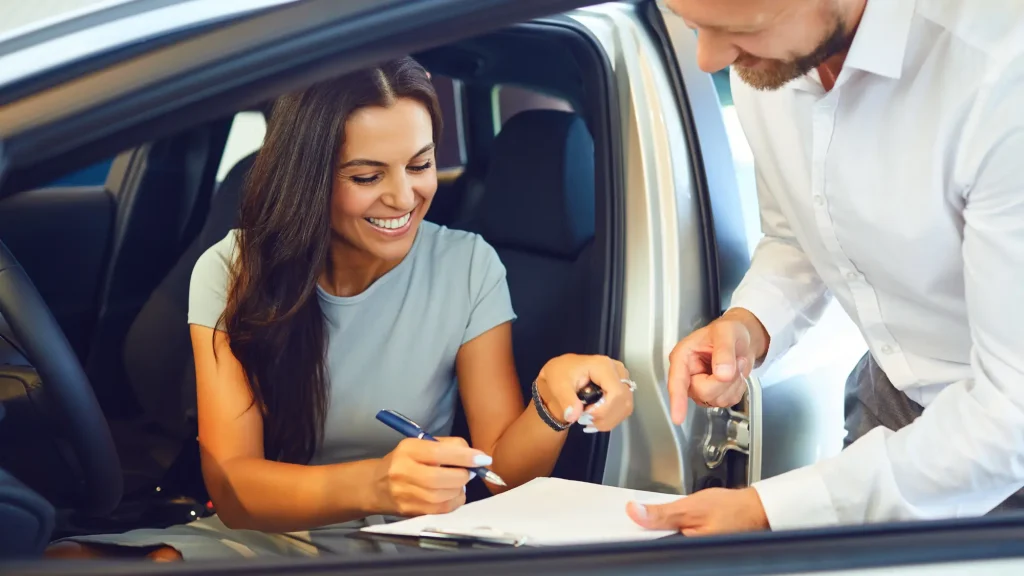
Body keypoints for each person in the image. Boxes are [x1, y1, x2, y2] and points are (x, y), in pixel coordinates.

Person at [46, 57, 635, 561]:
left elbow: (503, 477)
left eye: (420, 164)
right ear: (308, 179)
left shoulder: (468, 265)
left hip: (412, 544)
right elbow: (236, 490)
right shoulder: (234, 270)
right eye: (366, 175)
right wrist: (378, 483)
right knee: (55, 560)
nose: (404, 197)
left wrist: (552, 402)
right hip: (267, 535)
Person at [627, 0, 1024, 535]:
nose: (708, 59)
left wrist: (769, 512)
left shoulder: (1001, 76)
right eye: (694, 26)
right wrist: (749, 324)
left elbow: (1011, 417)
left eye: (740, 28)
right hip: (888, 398)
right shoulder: (764, 64)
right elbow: (797, 232)